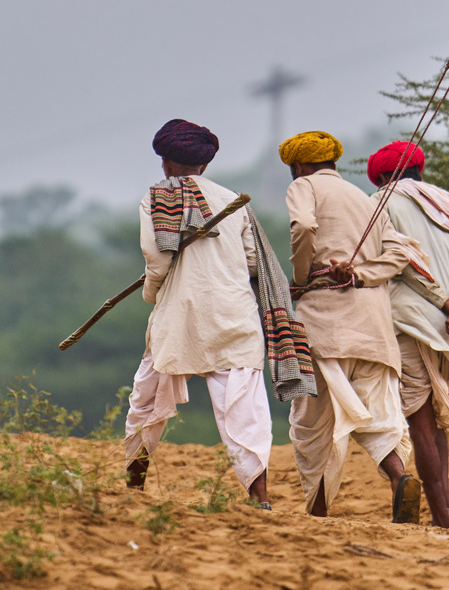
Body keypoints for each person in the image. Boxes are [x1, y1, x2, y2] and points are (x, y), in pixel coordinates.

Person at [124, 119, 276, 509]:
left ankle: (133, 485)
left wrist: (151, 293)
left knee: (148, 396)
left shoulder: (156, 198)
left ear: (166, 164)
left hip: (180, 313)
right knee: (245, 410)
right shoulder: (233, 202)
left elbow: (156, 260)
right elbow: (255, 263)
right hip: (235, 313)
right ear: (205, 165)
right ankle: (260, 498)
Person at [280, 130, 422, 522]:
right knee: (378, 418)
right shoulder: (365, 198)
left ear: (299, 166)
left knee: (311, 424)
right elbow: (399, 253)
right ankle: (399, 478)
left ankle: (319, 514)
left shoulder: (303, 187)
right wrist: (359, 274)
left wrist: (304, 275)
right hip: (374, 329)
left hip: (325, 325)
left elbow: (304, 228)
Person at [368, 140, 449, 528]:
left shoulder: (379, 202)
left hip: (411, 323)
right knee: (435, 422)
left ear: (383, 176)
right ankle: (445, 508)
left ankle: (441, 518)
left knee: (420, 423)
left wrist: (447, 304)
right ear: (420, 169)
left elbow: (405, 263)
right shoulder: (448, 202)